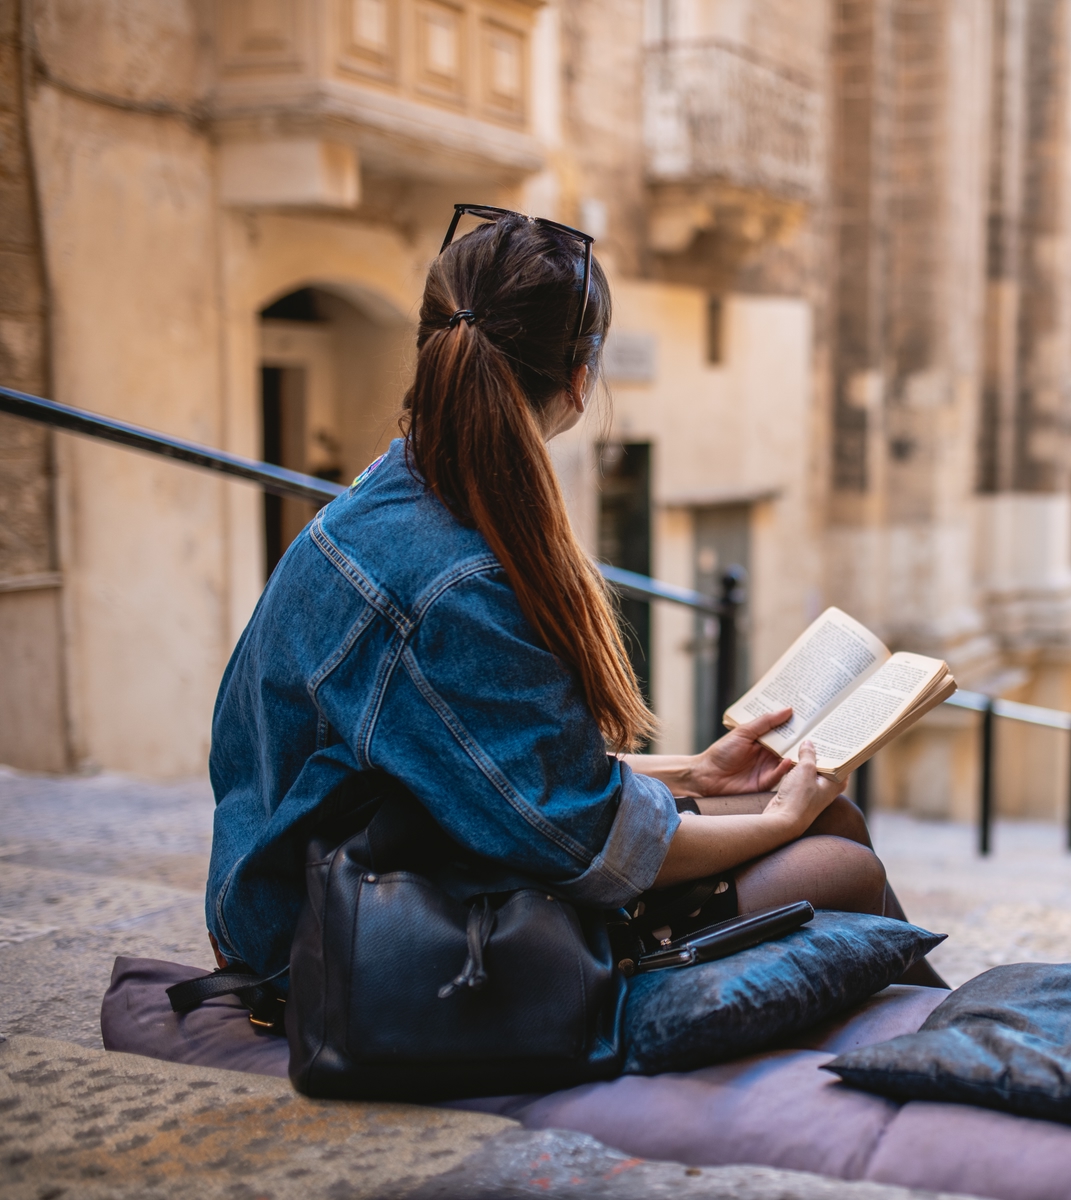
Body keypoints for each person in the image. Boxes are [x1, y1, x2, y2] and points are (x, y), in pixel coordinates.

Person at [205, 205, 944, 991]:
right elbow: (587, 846)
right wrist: (779, 819)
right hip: (344, 941)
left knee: (832, 826)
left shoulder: (394, 493)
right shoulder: (460, 582)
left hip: (328, 888)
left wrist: (698, 772)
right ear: (580, 384)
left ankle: (940, 1048)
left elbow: (500, 769)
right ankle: (945, 1054)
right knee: (834, 859)